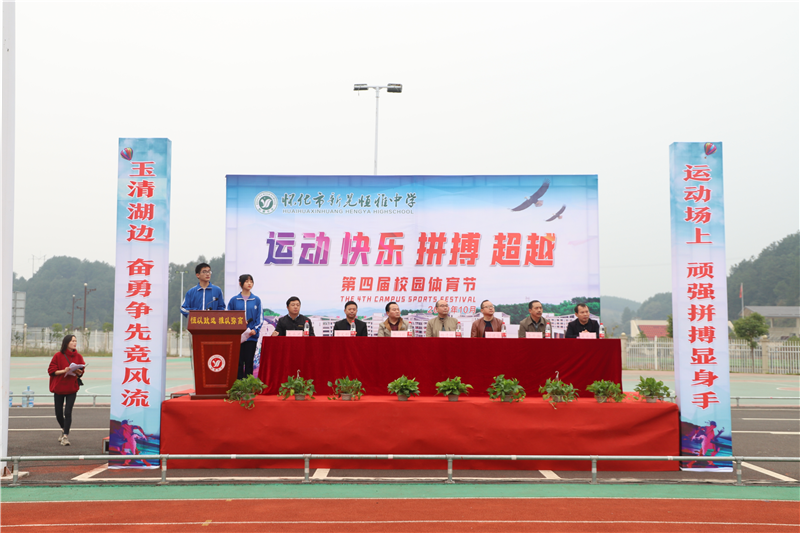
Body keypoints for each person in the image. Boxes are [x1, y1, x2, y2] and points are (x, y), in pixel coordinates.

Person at [47, 334, 86, 446]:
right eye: (72, 341)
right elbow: (51, 371)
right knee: (58, 414)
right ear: (66, 343)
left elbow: (81, 372)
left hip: (71, 388)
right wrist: (64, 371)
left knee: (68, 412)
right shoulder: (58, 356)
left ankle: (65, 436)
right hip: (59, 388)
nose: (74, 343)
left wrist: (79, 372)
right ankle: (64, 429)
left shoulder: (79, 356)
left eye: (75, 341)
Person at [228, 274, 263, 378]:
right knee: (238, 362)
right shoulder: (234, 300)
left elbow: (260, 318)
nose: (249, 283)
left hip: (251, 336)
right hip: (238, 336)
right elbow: (228, 317)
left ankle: (248, 384)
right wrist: (237, 325)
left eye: (251, 281)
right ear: (240, 283)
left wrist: (255, 330)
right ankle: (238, 383)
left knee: (249, 362)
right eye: (247, 281)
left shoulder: (256, 300)